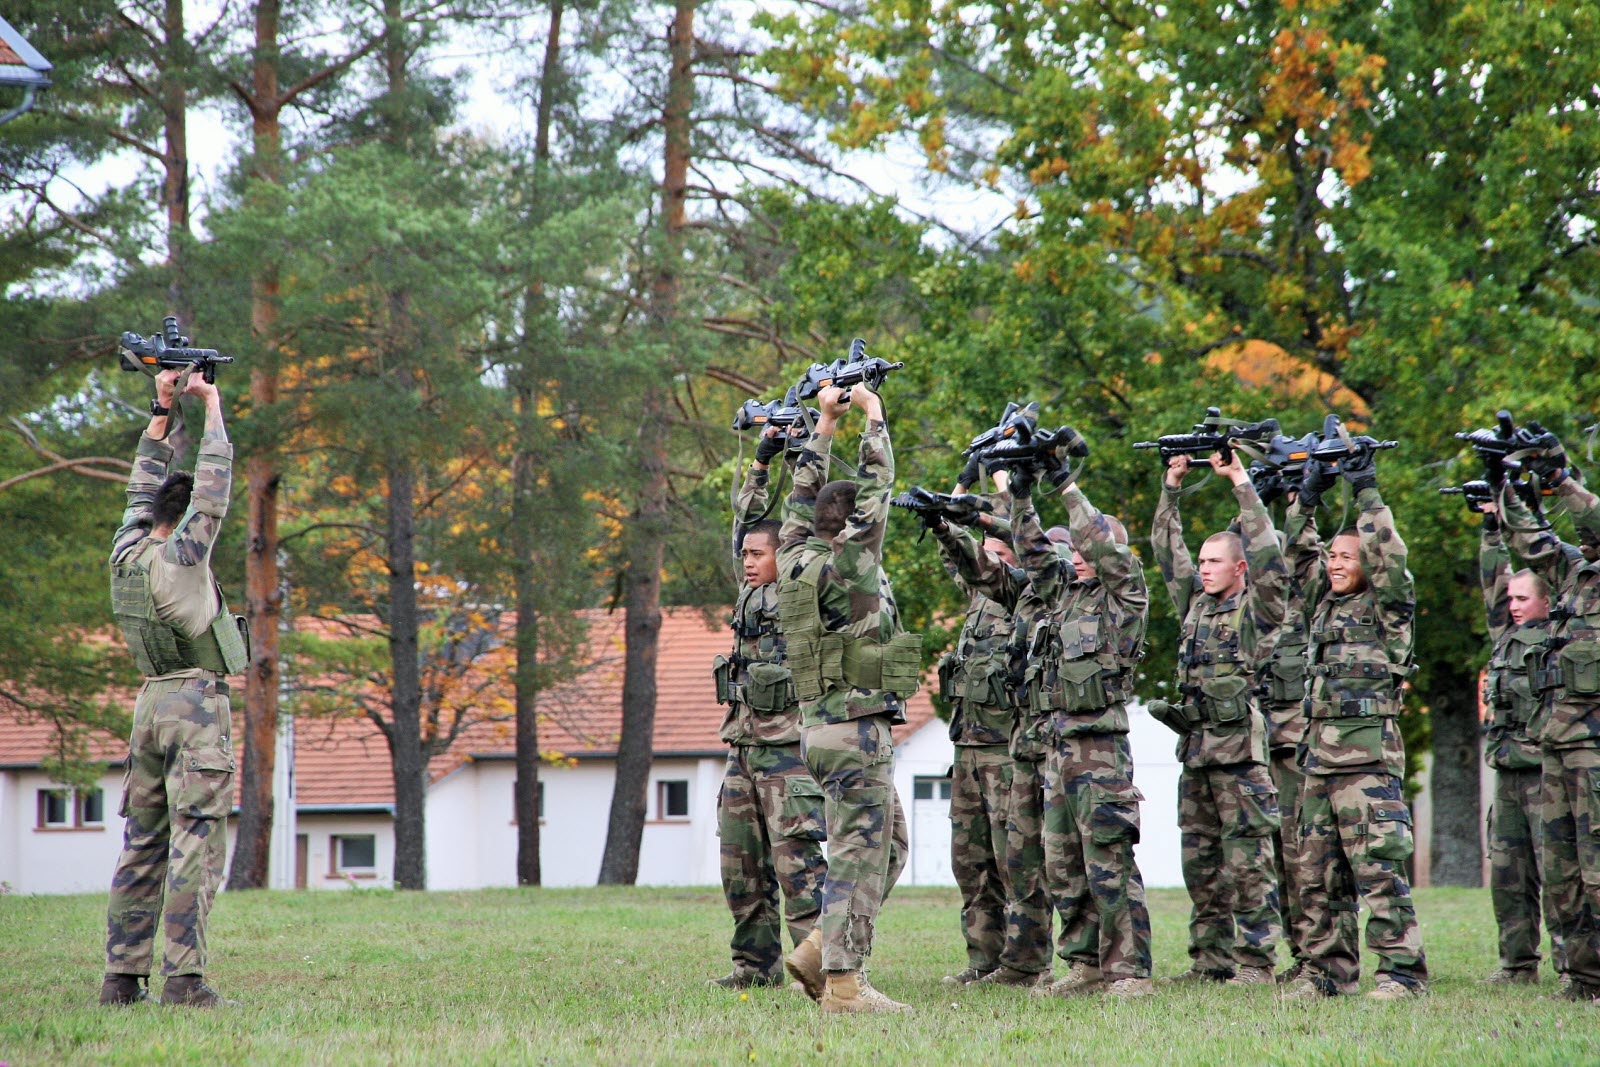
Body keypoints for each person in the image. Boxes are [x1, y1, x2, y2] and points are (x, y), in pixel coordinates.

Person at [102, 366, 245, 1009]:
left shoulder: (126, 550)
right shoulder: (185, 554)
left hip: (148, 705)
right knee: (195, 839)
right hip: (194, 705)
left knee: (142, 841)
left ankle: (121, 977)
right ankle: (185, 980)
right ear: (182, 516)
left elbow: (139, 489)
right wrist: (210, 405)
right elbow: (213, 490)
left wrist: (161, 411)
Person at [776, 384, 916, 1014]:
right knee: (856, 859)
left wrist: (824, 426)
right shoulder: (852, 563)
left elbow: (799, 503)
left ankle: (815, 947)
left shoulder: (793, 558)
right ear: (853, 522)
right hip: (856, 730)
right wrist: (873, 418)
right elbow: (878, 490)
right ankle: (841, 985)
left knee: (891, 842)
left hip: (818, 729)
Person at [1281, 444, 1427, 1000]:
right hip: (1318, 760)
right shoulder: (1323, 606)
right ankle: (1326, 974)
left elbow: (1390, 554)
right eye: (1332, 556)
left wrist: (1366, 489)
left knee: (1379, 874)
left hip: (1367, 763)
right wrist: (1309, 495)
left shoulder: (1388, 610)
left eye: (1347, 556)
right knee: (1315, 878)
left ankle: (1401, 974)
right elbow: (1295, 558)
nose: (1336, 563)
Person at [1007, 450, 1155, 1000]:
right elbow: (1034, 555)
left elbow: (1104, 549)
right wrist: (1022, 495)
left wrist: (1066, 486)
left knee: (1108, 862)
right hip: (1055, 748)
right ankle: (1086, 963)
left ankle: (1129, 970)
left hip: (1099, 749)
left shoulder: (1126, 598)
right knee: (1062, 864)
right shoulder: (1063, 596)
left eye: (1091, 547)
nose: (1082, 555)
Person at [1150, 452, 1286, 985]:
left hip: (1241, 760)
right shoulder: (1195, 605)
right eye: (1201, 561)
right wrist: (1172, 486)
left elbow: (1272, 560)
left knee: (1248, 864)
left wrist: (1240, 484)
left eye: (1213, 562)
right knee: (1201, 865)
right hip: (1198, 753)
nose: (1202, 568)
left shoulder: (1256, 608)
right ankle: (1210, 961)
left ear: (1239, 568)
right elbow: (1166, 552)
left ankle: (1256, 963)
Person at [707, 427, 828, 990]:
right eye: (747, 555)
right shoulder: (749, 593)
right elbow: (743, 525)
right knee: (742, 867)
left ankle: (823, 971)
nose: (748, 561)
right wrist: (761, 460)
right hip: (744, 747)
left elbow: (801, 521)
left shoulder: (801, 588)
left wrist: (813, 445)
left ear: (786, 557)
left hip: (789, 752)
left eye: (759, 554)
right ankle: (754, 968)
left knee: (798, 867)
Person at [922, 481, 1052, 989]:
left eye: (998, 554)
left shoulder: (1031, 600)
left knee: (1017, 866)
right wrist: (942, 518)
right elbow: (959, 559)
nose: (986, 564)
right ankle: (984, 958)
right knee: (971, 864)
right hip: (969, 749)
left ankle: (1025, 963)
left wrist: (989, 514)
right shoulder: (978, 603)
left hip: (1008, 752)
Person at [1499, 437, 1600, 1002]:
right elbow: (1528, 541)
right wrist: (1505, 482)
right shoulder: (1574, 575)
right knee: (1561, 875)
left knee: (1597, 867)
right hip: (1557, 741)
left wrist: (1560, 478)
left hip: (1595, 747)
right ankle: (1584, 980)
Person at [1477, 501, 1564, 985]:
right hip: (1508, 771)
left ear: (1547, 601)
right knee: (1508, 878)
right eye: (1511, 599)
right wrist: (1491, 529)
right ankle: (1517, 965)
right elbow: (1493, 579)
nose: (1512, 605)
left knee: (1558, 878)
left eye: (1523, 598)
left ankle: (1576, 965)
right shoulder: (1505, 637)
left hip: (1548, 774)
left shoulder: (1559, 636)